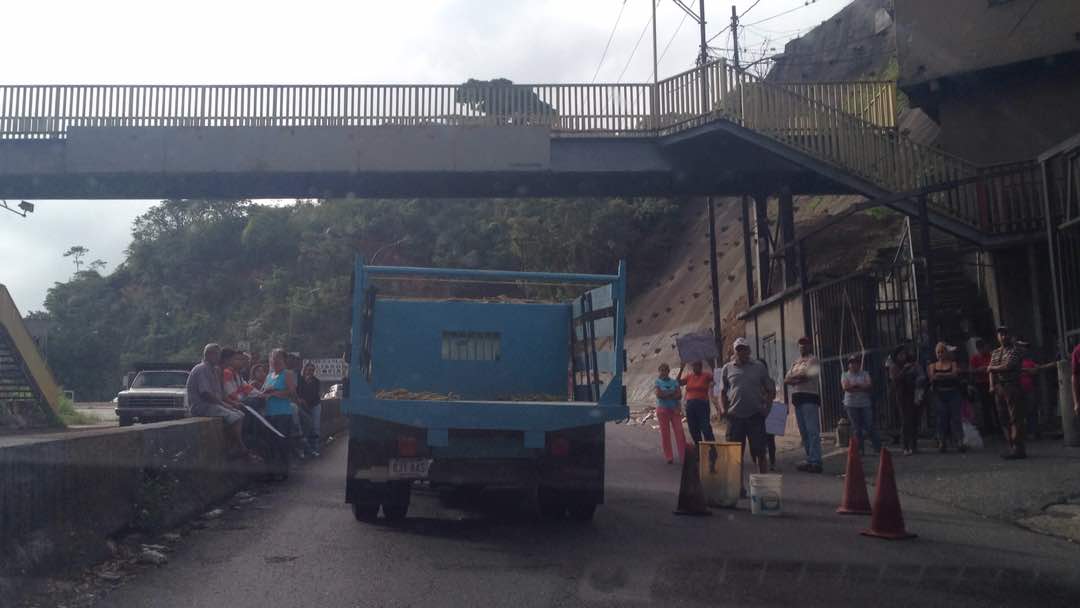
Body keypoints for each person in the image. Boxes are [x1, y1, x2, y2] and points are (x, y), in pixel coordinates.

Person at [185, 343, 255, 461]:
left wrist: (229, 404)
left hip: (211, 405)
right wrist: (223, 404)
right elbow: (205, 394)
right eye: (217, 355)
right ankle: (239, 446)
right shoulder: (202, 369)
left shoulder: (213, 369)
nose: (219, 358)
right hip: (202, 406)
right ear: (209, 355)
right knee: (236, 417)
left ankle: (232, 443)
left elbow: (220, 394)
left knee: (240, 414)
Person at [718, 337, 776, 475]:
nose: (741, 352)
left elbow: (770, 389)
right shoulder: (727, 368)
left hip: (755, 417)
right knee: (734, 455)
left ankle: (762, 486)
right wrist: (723, 409)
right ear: (734, 351)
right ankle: (737, 488)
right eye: (738, 350)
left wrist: (767, 409)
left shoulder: (758, 367)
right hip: (735, 417)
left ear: (748, 350)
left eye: (743, 349)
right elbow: (721, 392)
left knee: (760, 453)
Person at [784, 336, 822, 473]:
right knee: (804, 432)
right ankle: (810, 459)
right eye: (800, 344)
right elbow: (786, 379)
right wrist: (796, 378)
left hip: (810, 398)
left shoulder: (814, 360)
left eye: (805, 344)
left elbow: (807, 376)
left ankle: (816, 461)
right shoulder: (796, 362)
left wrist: (795, 378)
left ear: (810, 346)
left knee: (812, 431)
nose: (802, 347)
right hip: (798, 399)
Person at [987, 326, 1026, 459]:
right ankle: (1011, 445)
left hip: (1012, 385)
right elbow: (990, 371)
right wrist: (992, 385)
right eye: (1000, 334)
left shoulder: (1016, 350)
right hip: (999, 387)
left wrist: (992, 368)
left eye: (1005, 334)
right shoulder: (995, 352)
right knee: (1003, 417)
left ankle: (1018, 447)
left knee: (1015, 417)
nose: (1003, 337)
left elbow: (1008, 366)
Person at [262, 348, 299, 477]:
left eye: (278, 357)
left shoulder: (287, 374)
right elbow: (264, 391)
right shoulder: (269, 376)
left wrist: (274, 393)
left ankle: (283, 471)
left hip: (282, 413)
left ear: (284, 360)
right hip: (269, 413)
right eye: (272, 357)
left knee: (282, 442)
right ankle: (272, 471)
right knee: (270, 443)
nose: (275, 360)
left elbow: (292, 392)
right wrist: (265, 393)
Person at [929, 342, 965, 453]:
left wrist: (941, 376)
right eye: (938, 352)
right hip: (939, 395)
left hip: (953, 393)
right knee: (941, 419)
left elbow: (954, 374)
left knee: (956, 418)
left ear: (946, 352)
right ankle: (942, 442)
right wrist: (944, 376)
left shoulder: (953, 364)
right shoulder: (932, 366)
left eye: (942, 351)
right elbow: (932, 378)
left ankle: (959, 441)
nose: (940, 354)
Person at [842, 355, 882, 454]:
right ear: (848, 365)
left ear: (859, 364)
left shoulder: (865, 374)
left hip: (865, 403)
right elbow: (846, 387)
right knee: (856, 428)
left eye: (856, 362)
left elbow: (869, 385)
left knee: (870, 426)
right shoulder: (844, 375)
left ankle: (878, 449)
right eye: (851, 363)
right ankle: (860, 450)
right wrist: (860, 387)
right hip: (851, 404)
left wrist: (856, 386)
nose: (854, 365)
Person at [888, 345, 920, 456]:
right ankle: (905, 446)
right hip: (901, 395)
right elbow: (896, 380)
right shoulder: (894, 367)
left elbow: (918, 376)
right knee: (905, 421)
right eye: (900, 354)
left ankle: (913, 445)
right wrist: (905, 370)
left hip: (912, 393)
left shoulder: (911, 364)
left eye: (904, 354)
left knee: (914, 420)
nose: (903, 356)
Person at [654, 363, 688, 464]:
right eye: (661, 370)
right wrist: (671, 393)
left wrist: (666, 394)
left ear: (668, 371)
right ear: (659, 371)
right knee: (665, 434)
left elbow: (679, 395)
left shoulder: (674, 382)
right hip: (662, 410)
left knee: (680, 433)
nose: (663, 372)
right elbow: (659, 394)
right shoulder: (657, 382)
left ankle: (683, 456)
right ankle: (669, 456)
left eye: (665, 370)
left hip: (674, 410)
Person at [678, 360, 715, 444]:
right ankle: (699, 448)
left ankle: (712, 448)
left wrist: (713, 366)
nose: (695, 368)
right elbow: (678, 382)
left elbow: (717, 377)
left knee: (705, 428)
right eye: (694, 366)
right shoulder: (689, 376)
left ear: (701, 367)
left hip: (702, 405)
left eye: (697, 366)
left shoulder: (706, 375)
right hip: (690, 406)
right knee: (693, 429)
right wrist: (681, 369)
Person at [968, 338, 997, 434]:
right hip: (981, 384)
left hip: (992, 382)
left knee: (995, 405)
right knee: (985, 407)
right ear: (979, 348)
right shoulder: (975, 358)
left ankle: (999, 426)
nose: (986, 349)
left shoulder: (992, 356)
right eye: (984, 348)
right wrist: (979, 369)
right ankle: (988, 427)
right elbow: (971, 371)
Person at [297, 362, 323, 458]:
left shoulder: (316, 381)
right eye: (309, 370)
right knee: (305, 427)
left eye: (312, 370)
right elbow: (297, 393)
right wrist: (301, 401)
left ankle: (315, 448)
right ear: (305, 370)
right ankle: (305, 449)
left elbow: (314, 394)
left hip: (315, 405)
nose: (310, 372)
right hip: (302, 406)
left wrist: (307, 404)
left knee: (315, 427)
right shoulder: (299, 380)